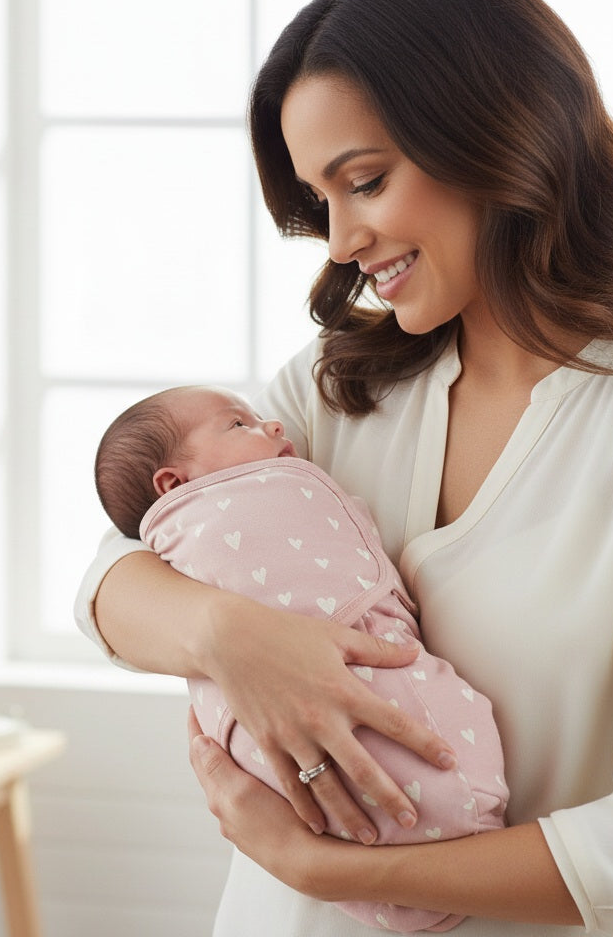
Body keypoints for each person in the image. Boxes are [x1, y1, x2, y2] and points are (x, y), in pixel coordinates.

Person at [75, 0, 613, 937]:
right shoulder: (337, 388)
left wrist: (314, 862)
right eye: (321, 201)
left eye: (364, 181)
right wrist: (233, 637)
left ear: (496, 135)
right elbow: (113, 570)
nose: (342, 240)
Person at [94, 384, 509, 931]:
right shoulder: (336, 377)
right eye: (240, 425)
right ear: (174, 485)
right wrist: (227, 633)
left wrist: (316, 867)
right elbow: (106, 582)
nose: (272, 428)